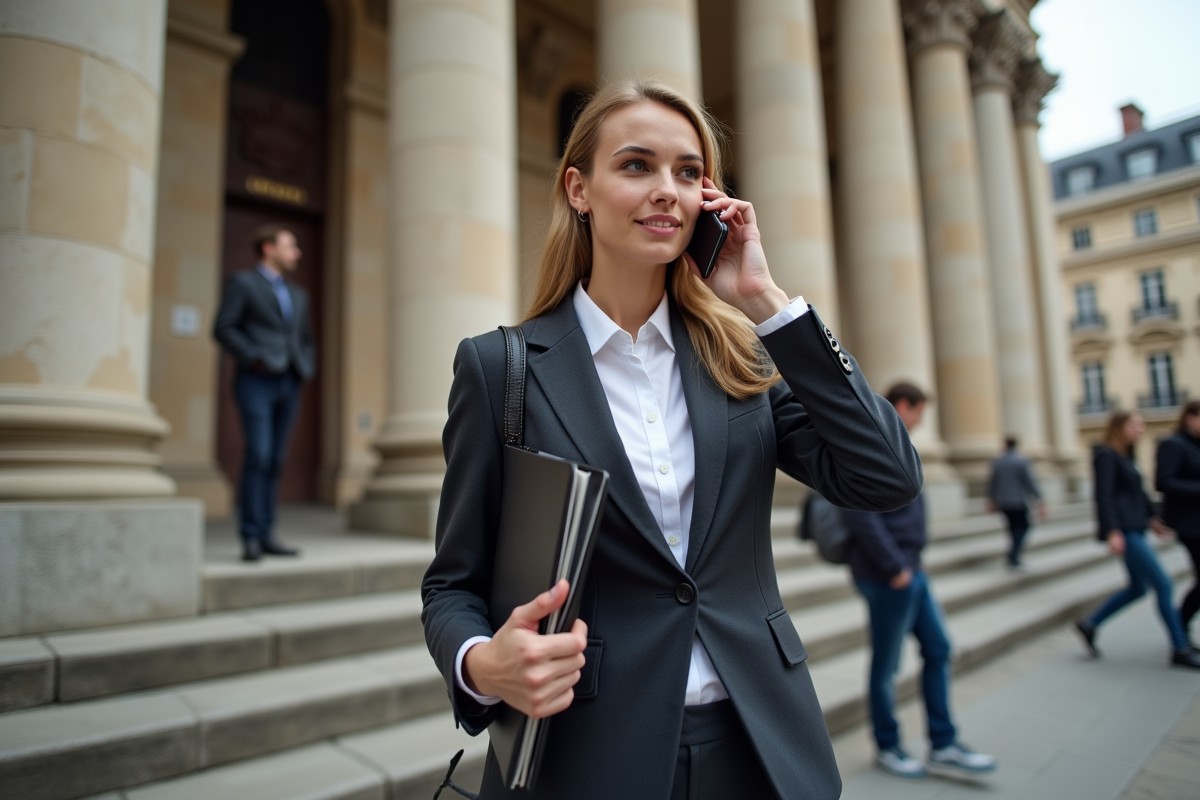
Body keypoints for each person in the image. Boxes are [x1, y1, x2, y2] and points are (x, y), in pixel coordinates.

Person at [420, 80, 924, 800]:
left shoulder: (741, 359)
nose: (667, 189)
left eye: (688, 172)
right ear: (578, 189)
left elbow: (886, 475)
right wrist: (480, 663)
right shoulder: (502, 368)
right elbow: (451, 584)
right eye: (636, 165)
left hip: (759, 743)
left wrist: (766, 303)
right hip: (590, 753)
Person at [842, 383, 998, 781]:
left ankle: (943, 744)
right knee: (887, 665)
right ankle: (888, 745)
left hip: (911, 571)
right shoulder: (870, 439)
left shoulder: (896, 442)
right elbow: (858, 511)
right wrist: (894, 567)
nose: (919, 422)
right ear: (902, 406)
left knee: (939, 649)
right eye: (918, 412)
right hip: (888, 576)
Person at [213, 224, 314, 562]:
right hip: (255, 380)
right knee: (259, 454)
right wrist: (253, 356)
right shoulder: (243, 283)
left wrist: (305, 365)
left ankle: (268, 534)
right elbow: (224, 327)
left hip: (289, 380)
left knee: (276, 460)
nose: (297, 253)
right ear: (268, 248)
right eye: (290, 246)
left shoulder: (299, 295)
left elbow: (305, 338)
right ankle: (251, 536)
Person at [1073, 411, 1200, 668]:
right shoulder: (1106, 455)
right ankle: (1180, 647)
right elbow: (1104, 495)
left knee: (1137, 588)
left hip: (1136, 526)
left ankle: (1089, 623)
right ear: (1119, 426)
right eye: (1135, 425)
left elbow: (1138, 493)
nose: (1140, 429)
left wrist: (1153, 518)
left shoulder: (1126, 455)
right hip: (1125, 529)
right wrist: (1112, 531)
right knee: (1163, 584)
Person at [1156, 400, 1200, 648]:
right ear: (1190, 418)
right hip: (1188, 524)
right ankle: (1180, 628)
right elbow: (1163, 481)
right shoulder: (1173, 443)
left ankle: (1180, 629)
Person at [986, 436, 1044, 570]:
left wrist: (991, 500)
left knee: (1013, 528)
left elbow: (992, 483)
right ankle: (1013, 555)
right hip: (1018, 501)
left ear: (1006, 445)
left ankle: (1013, 554)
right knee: (1024, 526)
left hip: (1003, 502)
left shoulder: (998, 462)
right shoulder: (1021, 461)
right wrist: (1039, 499)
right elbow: (1030, 482)